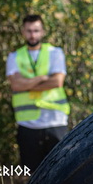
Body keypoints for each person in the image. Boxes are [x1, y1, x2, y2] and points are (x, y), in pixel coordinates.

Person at [6, 14, 70, 172]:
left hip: (56, 122)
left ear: (42, 32)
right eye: (29, 31)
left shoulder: (55, 53)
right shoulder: (15, 56)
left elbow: (57, 82)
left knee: (60, 172)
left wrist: (26, 84)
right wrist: (42, 78)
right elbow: (15, 85)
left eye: (36, 31)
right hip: (28, 124)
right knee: (31, 174)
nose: (32, 35)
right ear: (23, 32)